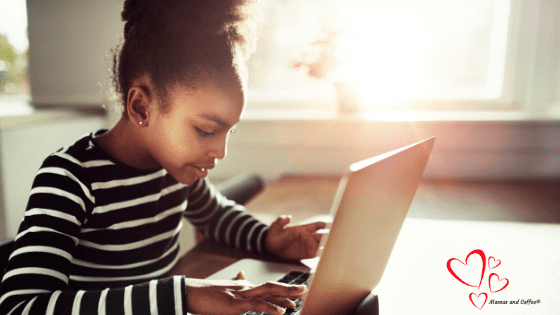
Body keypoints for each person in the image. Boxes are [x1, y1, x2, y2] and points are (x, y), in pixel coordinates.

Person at [0, 0, 326, 314]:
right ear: (142, 106)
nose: (221, 152)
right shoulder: (70, 179)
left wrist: (269, 239)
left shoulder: (173, 169)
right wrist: (183, 296)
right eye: (206, 130)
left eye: (229, 132)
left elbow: (216, 216)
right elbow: (21, 306)